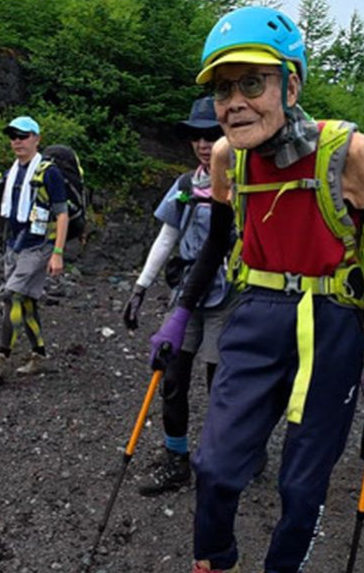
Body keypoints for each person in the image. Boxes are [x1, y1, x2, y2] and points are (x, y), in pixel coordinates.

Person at [150, 7, 364, 573]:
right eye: (222, 87)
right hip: (256, 310)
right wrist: (180, 314)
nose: (234, 102)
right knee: (215, 463)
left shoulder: (349, 151)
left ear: (291, 86)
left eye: (252, 84)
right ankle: (217, 566)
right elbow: (216, 246)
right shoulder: (225, 159)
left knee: (303, 479)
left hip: (332, 322)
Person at [122, 96, 232, 496]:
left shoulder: (242, 183)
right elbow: (167, 236)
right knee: (172, 377)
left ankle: (228, 457)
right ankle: (176, 458)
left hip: (228, 295)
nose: (204, 144)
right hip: (186, 292)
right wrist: (141, 286)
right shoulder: (185, 186)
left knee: (220, 383)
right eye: (198, 137)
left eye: (212, 135)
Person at [0, 116, 68, 381]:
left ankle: (0, 358)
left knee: (12, 296)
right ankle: (40, 356)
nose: (17, 141)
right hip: (13, 245)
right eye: (13, 136)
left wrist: (58, 253)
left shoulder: (49, 173)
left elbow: (62, 214)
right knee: (25, 301)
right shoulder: (9, 175)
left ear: (36, 138)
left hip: (38, 246)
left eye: (23, 135)